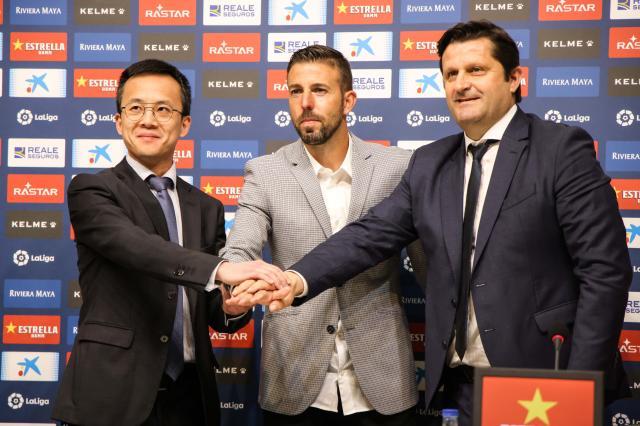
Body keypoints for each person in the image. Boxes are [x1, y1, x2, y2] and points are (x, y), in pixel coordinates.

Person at [230, 21, 632, 425]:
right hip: (461, 386)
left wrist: (579, 385)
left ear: (514, 79)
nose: (461, 84)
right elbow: (368, 236)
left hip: (543, 379)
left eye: (476, 70)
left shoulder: (561, 150)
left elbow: (605, 271)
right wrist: (296, 280)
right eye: (451, 74)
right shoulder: (429, 163)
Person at [52, 59, 286, 426]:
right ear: (119, 121)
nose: (148, 120)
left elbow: (214, 310)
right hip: (111, 393)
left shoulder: (206, 207)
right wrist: (222, 268)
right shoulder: (92, 190)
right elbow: (138, 248)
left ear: (185, 123)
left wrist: (233, 306)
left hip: (191, 397)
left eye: (163, 109)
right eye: (135, 108)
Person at [221, 45, 422, 426]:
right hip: (294, 380)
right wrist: (235, 289)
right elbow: (240, 248)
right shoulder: (265, 172)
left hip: (383, 382)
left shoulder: (398, 166)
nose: (306, 103)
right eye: (295, 91)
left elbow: (432, 265)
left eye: (319, 90)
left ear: (348, 100)